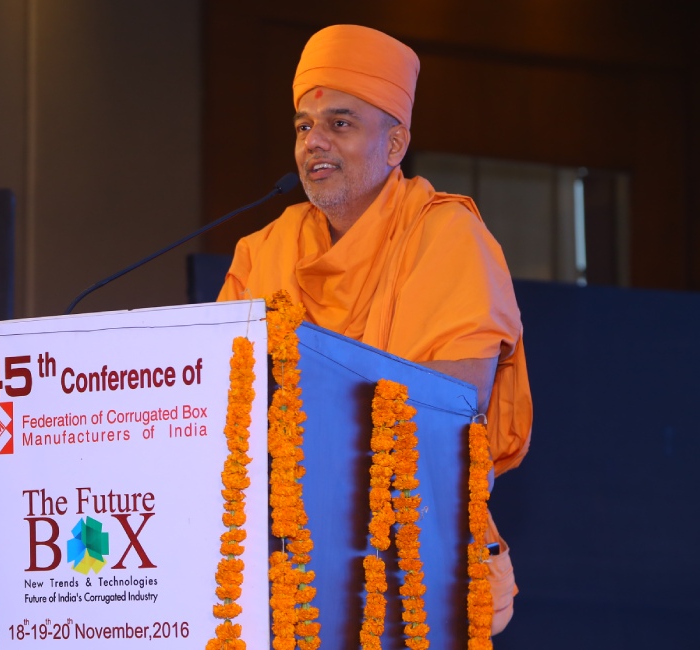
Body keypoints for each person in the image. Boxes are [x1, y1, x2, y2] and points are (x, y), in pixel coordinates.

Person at [217, 24, 533, 634]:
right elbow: (224, 400)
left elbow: (455, 401)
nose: (314, 142)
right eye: (303, 126)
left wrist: (303, 404)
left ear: (395, 144)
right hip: (276, 565)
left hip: (411, 558)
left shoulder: (448, 236)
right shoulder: (262, 251)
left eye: (340, 123)